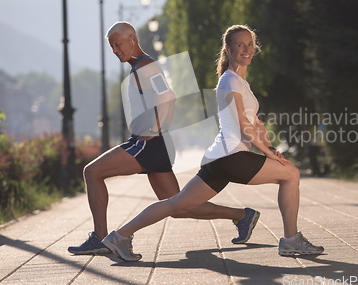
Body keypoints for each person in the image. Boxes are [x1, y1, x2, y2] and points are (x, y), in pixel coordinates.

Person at [103, 24, 324, 261]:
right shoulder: (230, 81)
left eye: (250, 44)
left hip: (219, 158)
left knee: (177, 205)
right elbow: (243, 124)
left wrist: (269, 147)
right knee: (291, 174)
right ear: (228, 49)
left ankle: (119, 236)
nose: (246, 49)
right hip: (231, 156)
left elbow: (256, 123)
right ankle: (290, 240)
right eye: (240, 45)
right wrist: (266, 154)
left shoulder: (239, 82)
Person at [68, 22, 259, 255]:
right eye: (112, 47)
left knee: (92, 172)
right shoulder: (141, 65)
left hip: (147, 143)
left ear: (132, 40)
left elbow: (168, 97)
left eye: (118, 44)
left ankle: (99, 238)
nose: (116, 50)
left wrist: (155, 128)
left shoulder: (145, 66)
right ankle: (241, 216)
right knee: (179, 207)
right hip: (154, 144)